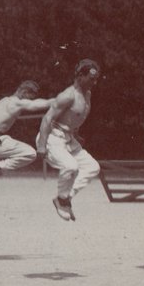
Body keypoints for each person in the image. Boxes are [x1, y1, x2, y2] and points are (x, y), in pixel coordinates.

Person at [36, 59, 102, 221]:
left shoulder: (87, 95)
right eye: (91, 78)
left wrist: (76, 134)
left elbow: (73, 118)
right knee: (70, 166)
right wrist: (42, 145)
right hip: (53, 137)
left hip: (69, 139)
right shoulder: (67, 96)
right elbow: (47, 119)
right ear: (80, 76)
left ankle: (64, 199)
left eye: (96, 79)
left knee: (93, 167)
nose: (94, 82)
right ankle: (62, 198)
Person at [0, 80, 53, 191]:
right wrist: (62, 101)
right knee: (30, 153)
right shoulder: (15, 102)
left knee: (20, 150)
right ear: (23, 92)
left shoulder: (4, 100)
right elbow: (38, 105)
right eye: (29, 98)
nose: (29, 101)